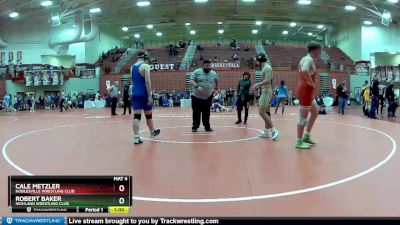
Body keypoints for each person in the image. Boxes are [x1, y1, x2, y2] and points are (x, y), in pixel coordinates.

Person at [295, 42, 321, 149]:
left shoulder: (305, 58)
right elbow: (305, 70)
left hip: (307, 91)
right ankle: (299, 141)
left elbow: (301, 70)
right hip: (305, 91)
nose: (320, 53)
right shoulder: (309, 59)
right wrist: (311, 82)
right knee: (303, 119)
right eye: (319, 50)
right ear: (314, 50)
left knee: (315, 112)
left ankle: (306, 136)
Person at [131, 51, 160, 145]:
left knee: (136, 116)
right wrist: (150, 96)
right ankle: (152, 132)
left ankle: (136, 137)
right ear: (145, 57)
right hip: (143, 93)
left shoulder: (132, 67)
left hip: (135, 93)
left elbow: (133, 80)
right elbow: (147, 81)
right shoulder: (146, 66)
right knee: (148, 115)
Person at [253, 53, 279, 140]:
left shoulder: (267, 67)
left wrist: (257, 84)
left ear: (259, 60)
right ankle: (266, 132)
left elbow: (268, 80)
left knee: (261, 112)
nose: (256, 62)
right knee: (267, 112)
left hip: (266, 91)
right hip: (265, 91)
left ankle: (274, 130)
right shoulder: (265, 67)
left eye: (256, 60)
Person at [189, 59, 219, 132]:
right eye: (206, 65)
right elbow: (191, 80)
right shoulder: (197, 72)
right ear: (203, 65)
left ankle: (207, 127)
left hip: (208, 97)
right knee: (196, 112)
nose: (208, 67)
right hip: (196, 96)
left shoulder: (213, 73)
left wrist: (216, 89)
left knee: (206, 112)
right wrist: (197, 86)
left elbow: (216, 80)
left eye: (209, 65)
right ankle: (195, 127)